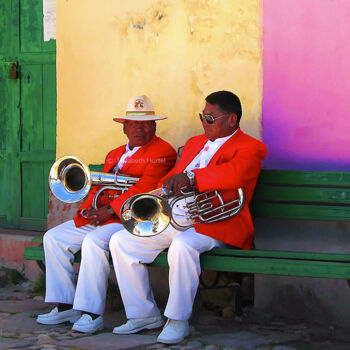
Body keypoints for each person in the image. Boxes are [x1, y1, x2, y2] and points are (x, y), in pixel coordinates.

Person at [109, 91, 267, 344]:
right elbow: (173, 175)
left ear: (232, 120)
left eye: (210, 117)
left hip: (218, 223)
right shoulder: (194, 143)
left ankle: (177, 320)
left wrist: (193, 178)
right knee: (121, 240)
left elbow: (235, 174)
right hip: (179, 218)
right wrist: (157, 192)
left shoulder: (251, 147)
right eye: (202, 116)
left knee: (182, 247)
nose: (204, 122)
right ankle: (143, 314)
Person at [36, 95, 177, 334]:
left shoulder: (163, 151)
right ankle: (65, 304)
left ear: (155, 126)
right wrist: (90, 209)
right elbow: (99, 186)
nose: (140, 128)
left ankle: (91, 314)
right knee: (53, 238)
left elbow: (145, 186)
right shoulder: (114, 154)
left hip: (128, 218)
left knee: (93, 242)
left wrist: (108, 210)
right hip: (103, 215)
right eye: (134, 123)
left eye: (146, 123)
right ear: (124, 127)